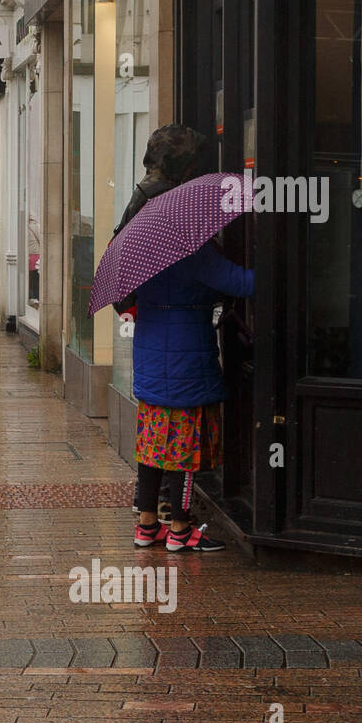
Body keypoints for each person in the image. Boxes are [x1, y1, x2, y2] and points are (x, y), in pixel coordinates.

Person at [130, 237, 253, 553]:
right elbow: (242, 283)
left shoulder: (142, 249)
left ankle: (147, 525)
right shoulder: (192, 250)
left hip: (150, 360)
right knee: (185, 449)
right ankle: (181, 530)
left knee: (152, 448)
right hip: (185, 363)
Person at [115, 124, 209, 523]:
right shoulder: (168, 197)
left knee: (154, 429)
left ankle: (147, 510)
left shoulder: (143, 191)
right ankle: (175, 515)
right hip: (177, 329)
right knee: (177, 429)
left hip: (153, 331)